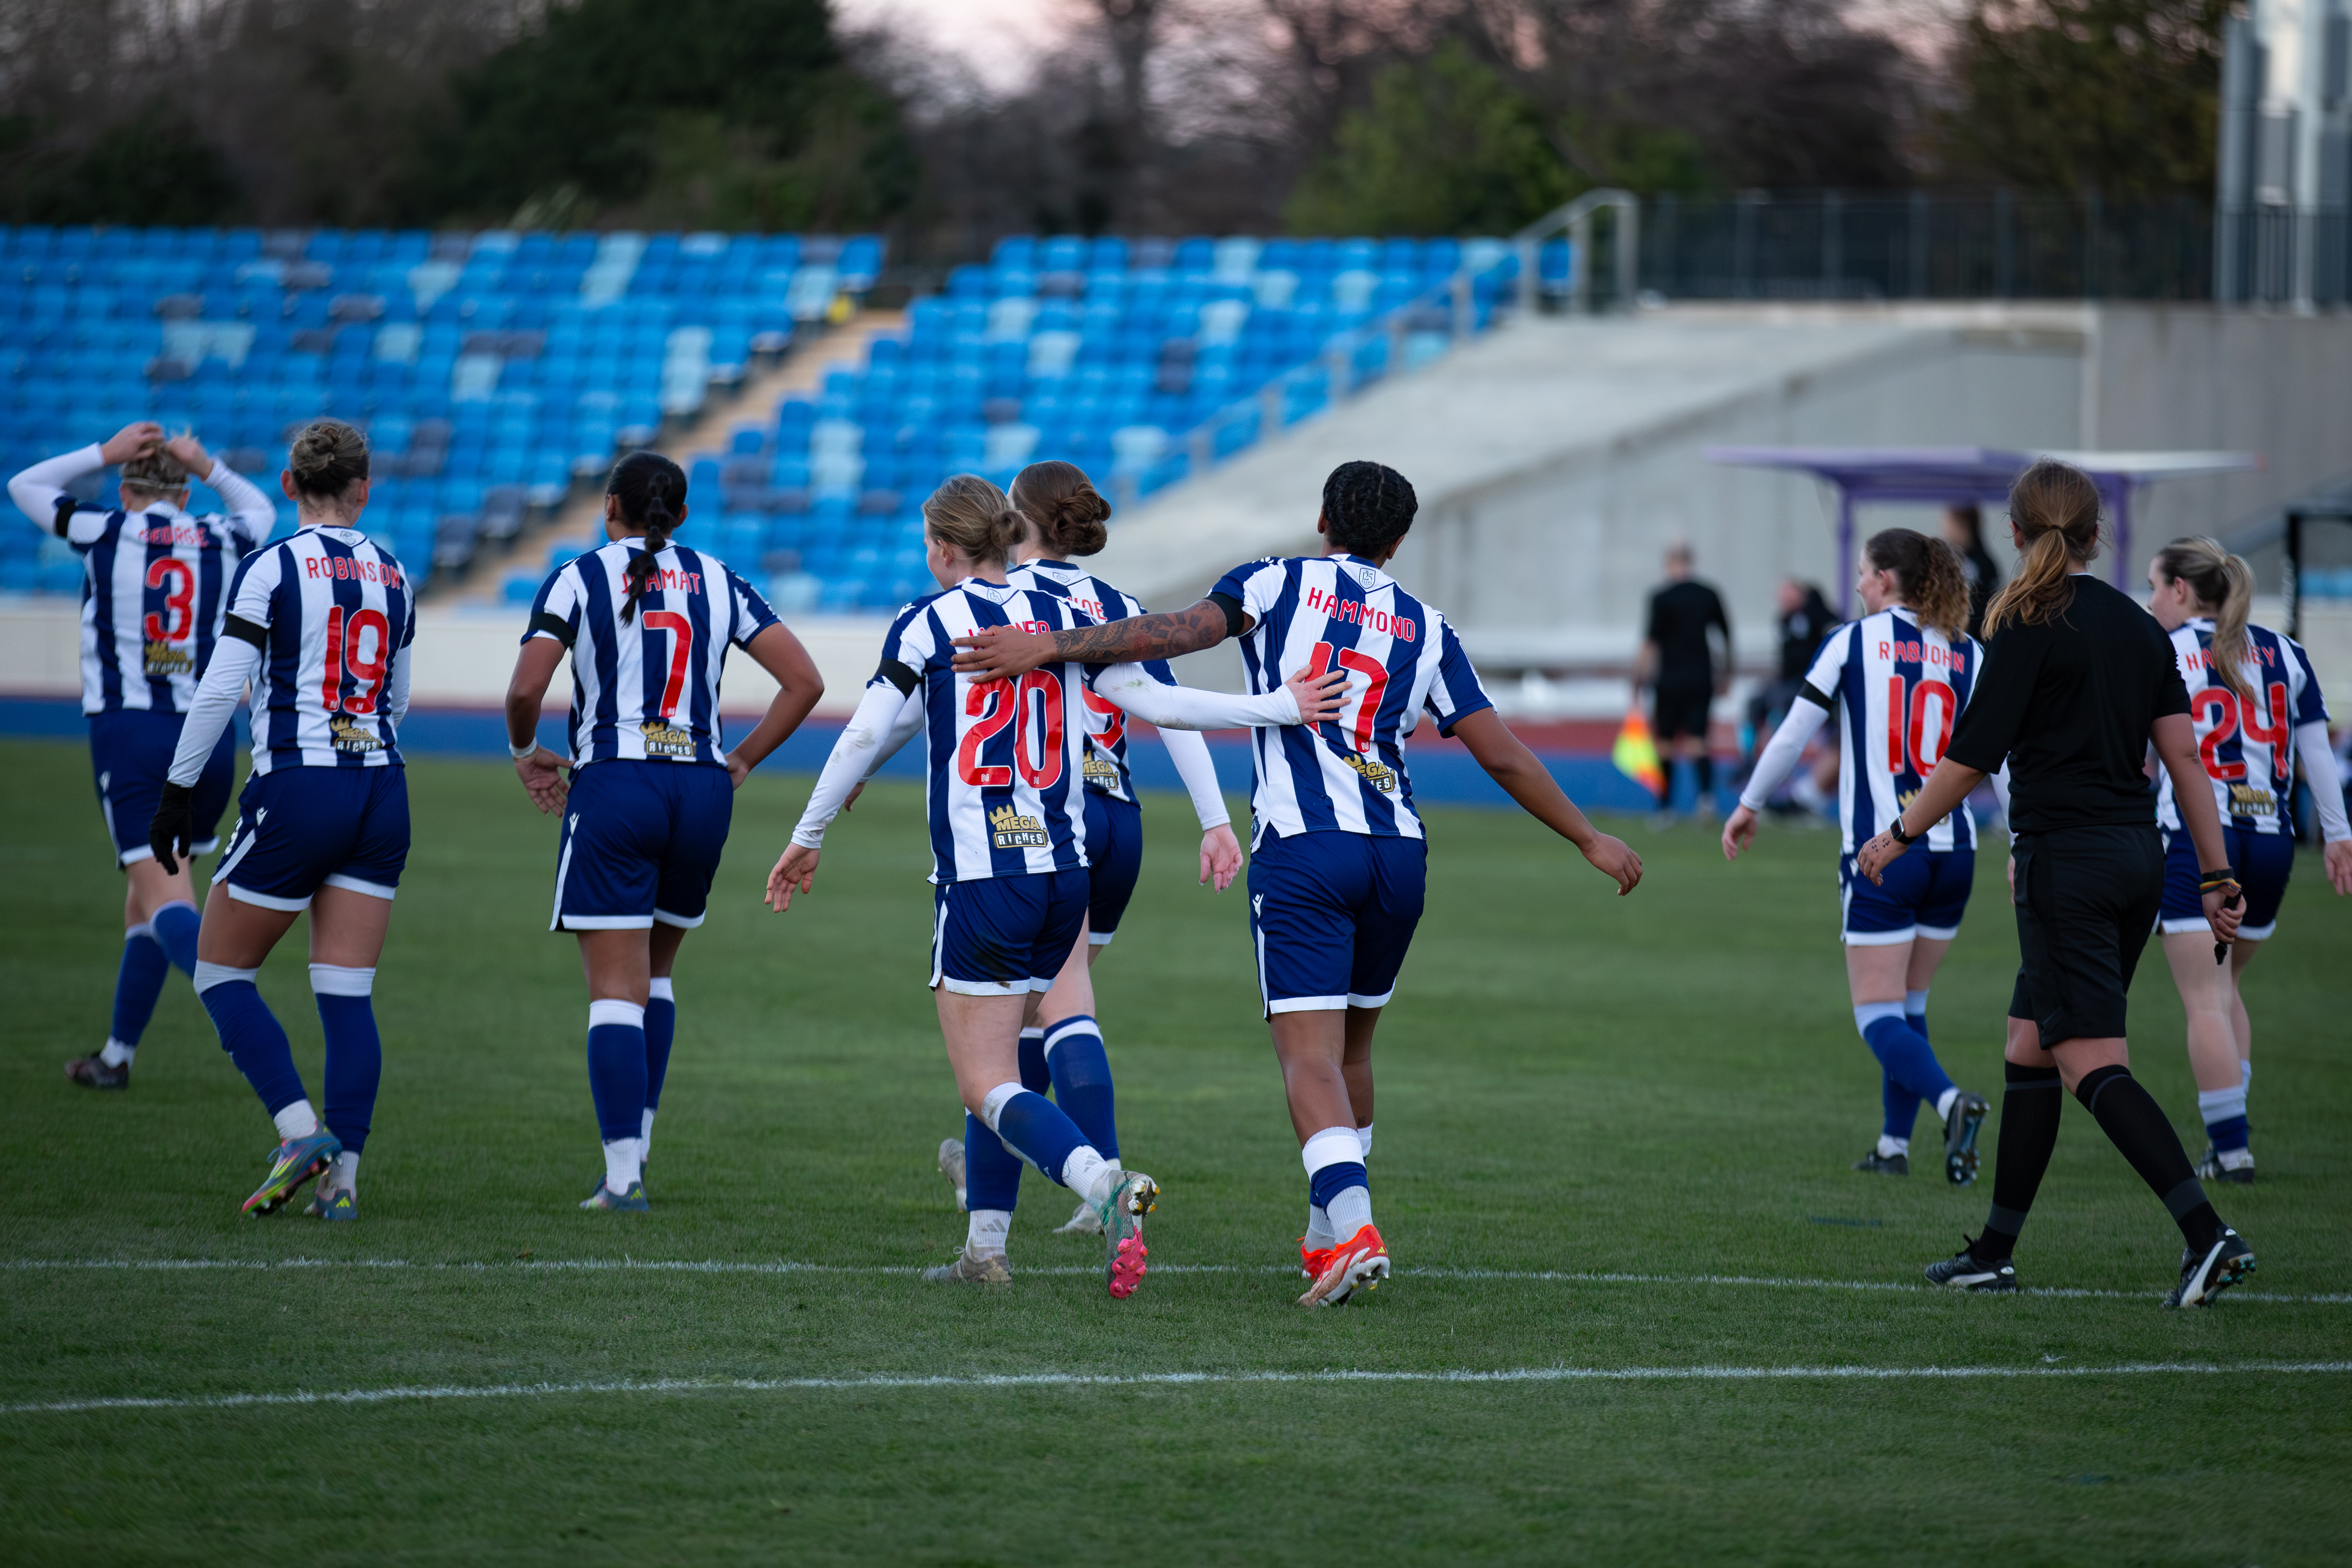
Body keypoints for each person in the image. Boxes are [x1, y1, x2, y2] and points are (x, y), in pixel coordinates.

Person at [949, 460, 1644, 1307]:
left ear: (1323, 518)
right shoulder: (1426, 625)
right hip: (1397, 851)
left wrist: (1048, 643)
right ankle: (1323, 1237)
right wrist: (1587, 837)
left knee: (1306, 1058)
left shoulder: (1275, 583)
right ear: (1396, 541)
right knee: (1354, 1050)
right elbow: (1497, 749)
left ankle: (1351, 1226)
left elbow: (1173, 636)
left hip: (1306, 847)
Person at [764, 476, 1344, 1296]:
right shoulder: (1073, 622)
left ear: (940, 548)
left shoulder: (929, 622)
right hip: (1065, 864)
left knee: (985, 1077)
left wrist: (808, 832)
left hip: (984, 870)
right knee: (1022, 1043)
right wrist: (1277, 709)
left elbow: (868, 729)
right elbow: (1161, 702)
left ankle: (1103, 1185)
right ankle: (985, 1251)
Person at [1856, 460, 2253, 1308]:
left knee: (2089, 1062)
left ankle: (2206, 1233)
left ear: (2013, 532)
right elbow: (2183, 760)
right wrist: (2215, 872)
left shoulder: (2027, 623)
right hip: (2136, 859)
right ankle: (1994, 1252)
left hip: (2065, 865)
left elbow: (1968, 758)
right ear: (2093, 534)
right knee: (2026, 1046)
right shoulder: (2137, 625)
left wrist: (1896, 835)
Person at [933, 460, 1247, 1244]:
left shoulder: (1011, 597)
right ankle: (1035, 1165)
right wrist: (1214, 819)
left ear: (1017, 520)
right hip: (1122, 820)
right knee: (1050, 1006)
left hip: (1048, 818)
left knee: (1043, 1007)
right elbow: (1166, 707)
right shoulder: (1116, 604)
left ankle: (1088, 1178)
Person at [504, 451, 826, 1212]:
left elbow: (525, 686)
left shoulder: (579, 576)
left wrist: (524, 752)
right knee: (656, 975)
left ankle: (622, 1179)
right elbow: (805, 682)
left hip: (618, 781)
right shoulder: (719, 578)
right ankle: (636, 1150)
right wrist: (740, 758)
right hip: (699, 788)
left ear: (608, 505)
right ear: (680, 515)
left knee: (615, 991)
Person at [146, 421, 412, 1221]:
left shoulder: (273, 568)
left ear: (291, 487)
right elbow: (396, 700)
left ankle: (300, 1130)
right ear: (365, 489)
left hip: (301, 785)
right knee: (347, 991)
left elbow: (221, 686)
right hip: (381, 788)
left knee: (220, 969)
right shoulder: (395, 570)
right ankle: (344, 1187)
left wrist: (177, 791)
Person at [10, 423, 275, 1090]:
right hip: (210, 740)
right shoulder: (219, 535)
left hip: (134, 735)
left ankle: (242, 1011)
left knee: (165, 900)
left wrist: (102, 451)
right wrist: (205, 460)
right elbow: (260, 511)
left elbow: (24, 485)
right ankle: (118, 1055)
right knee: (148, 897)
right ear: (183, 496)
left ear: (126, 489)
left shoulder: (104, 530)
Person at [1724, 530, 1995, 1181]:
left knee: (1877, 1014)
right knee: (1910, 1005)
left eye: (1863, 574)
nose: (1855, 586)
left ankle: (1953, 1103)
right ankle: (1893, 1148)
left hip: (1883, 851)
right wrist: (2020, 840)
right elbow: (2000, 758)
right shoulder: (1969, 653)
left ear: (1883, 580)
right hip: (1955, 852)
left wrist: (1749, 803)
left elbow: (1794, 735)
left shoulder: (1851, 642)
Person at [2143, 536, 2350, 1185]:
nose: (2150, 603)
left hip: (2197, 841)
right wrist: (2339, 835)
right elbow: (2317, 753)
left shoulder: (2164, 649)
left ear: (2181, 589)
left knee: (2204, 999)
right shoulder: (2285, 651)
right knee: (2225, 987)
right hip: (2270, 840)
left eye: (2155, 587)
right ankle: (2229, 1137)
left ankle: (2231, 1150)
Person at [1635, 542, 1730, 822]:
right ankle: (1706, 801)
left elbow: (1650, 643)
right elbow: (1725, 637)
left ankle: (1665, 809)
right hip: (1701, 677)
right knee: (1699, 740)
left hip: (1669, 679)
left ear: (1668, 563)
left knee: (1664, 743)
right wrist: (1726, 675)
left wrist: (1637, 680)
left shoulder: (1661, 597)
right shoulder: (1709, 594)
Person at [1739, 578, 1838, 800]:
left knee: (1783, 712)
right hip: (1788, 684)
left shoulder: (1818, 615)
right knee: (1755, 704)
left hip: (1811, 685)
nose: (1781, 600)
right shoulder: (1784, 620)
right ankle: (1749, 762)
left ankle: (1782, 768)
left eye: (1786, 594)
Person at [1941, 503, 2003, 639]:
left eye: (1949, 523)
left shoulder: (1983, 565)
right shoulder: (1948, 559)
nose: (1945, 529)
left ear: (1963, 525)